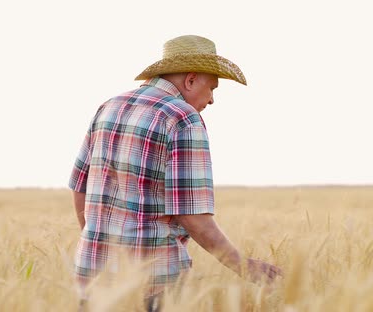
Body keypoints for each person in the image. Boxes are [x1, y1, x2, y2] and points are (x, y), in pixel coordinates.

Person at [69, 35, 282, 311]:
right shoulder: (183, 118)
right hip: (153, 283)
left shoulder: (109, 106)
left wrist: (98, 240)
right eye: (212, 88)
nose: (213, 100)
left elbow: (80, 187)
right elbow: (191, 214)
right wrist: (242, 265)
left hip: (91, 278)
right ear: (191, 80)